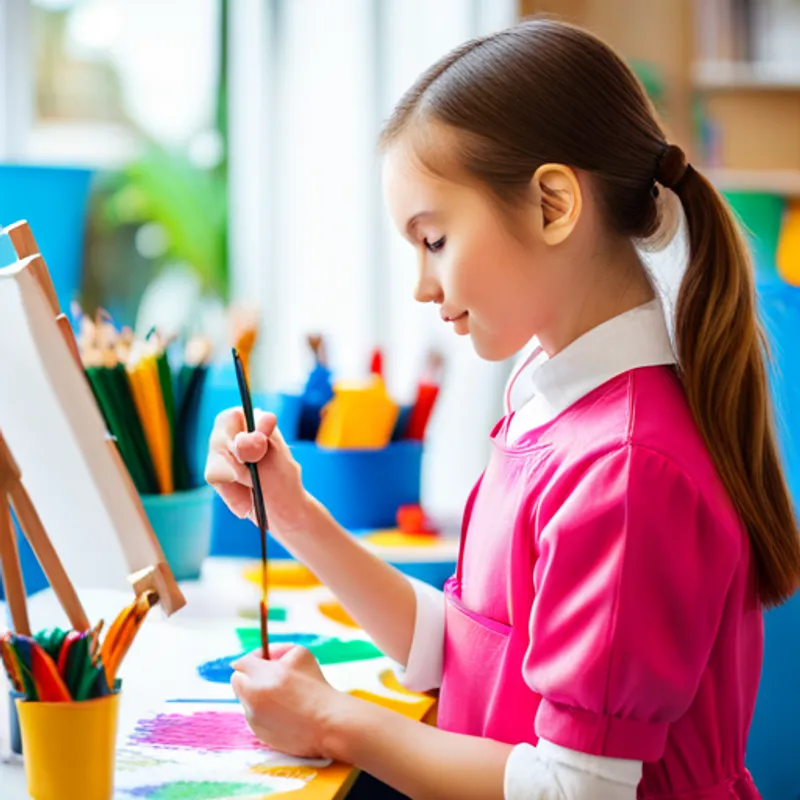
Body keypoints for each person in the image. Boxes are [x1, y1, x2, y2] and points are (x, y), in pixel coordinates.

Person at [205, 18, 800, 799]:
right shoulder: (545, 399)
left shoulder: (625, 469)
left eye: (436, 239)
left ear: (554, 204)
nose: (422, 285)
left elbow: (577, 788)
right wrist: (293, 516)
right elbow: (464, 650)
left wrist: (331, 721)